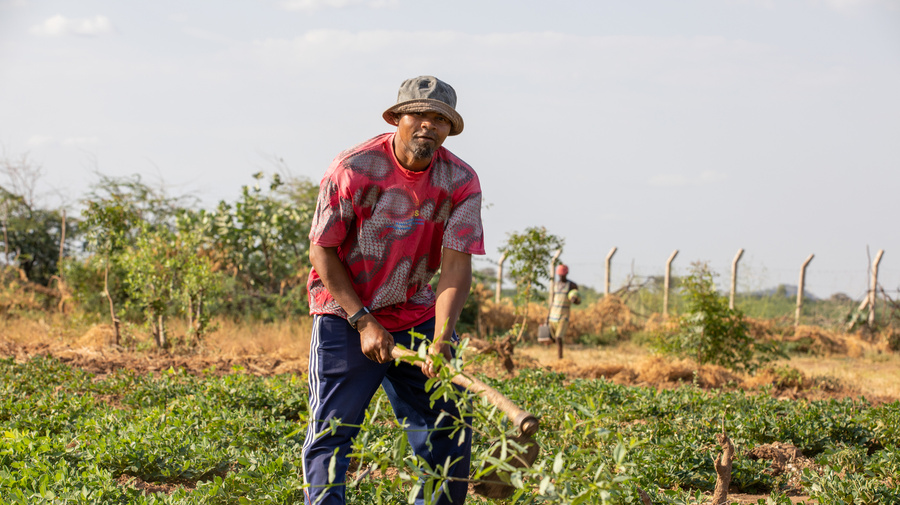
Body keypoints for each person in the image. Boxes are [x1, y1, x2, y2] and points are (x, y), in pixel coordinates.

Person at [302, 75, 484, 505]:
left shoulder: (460, 181)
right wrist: (363, 321)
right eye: (418, 114)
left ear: (449, 129)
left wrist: (442, 339)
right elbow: (322, 254)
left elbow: (456, 267)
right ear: (396, 118)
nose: (428, 125)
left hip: (418, 316)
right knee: (333, 431)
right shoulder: (353, 169)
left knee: (449, 430)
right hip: (345, 315)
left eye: (440, 119)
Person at [547, 264, 580, 343]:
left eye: (563, 275)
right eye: (560, 275)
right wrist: (547, 317)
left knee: (559, 337)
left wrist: (574, 300)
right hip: (553, 316)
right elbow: (552, 301)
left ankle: (560, 355)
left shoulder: (572, 285)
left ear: (566, 274)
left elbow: (578, 301)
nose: (561, 276)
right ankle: (556, 354)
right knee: (552, 339)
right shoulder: (555, 285)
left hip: (563, 316)